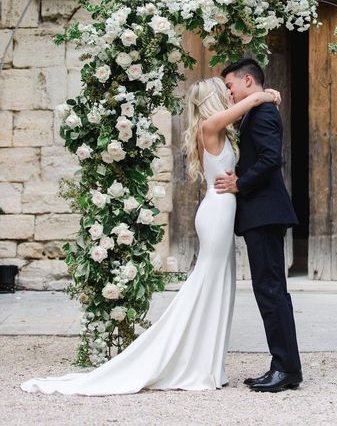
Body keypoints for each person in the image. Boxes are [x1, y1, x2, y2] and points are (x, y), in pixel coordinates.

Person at [20, 77, 280, 396]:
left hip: (224, 213)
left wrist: (263, 99)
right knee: (206, 285)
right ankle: (193, 365)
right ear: (211, 99)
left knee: (221, 288)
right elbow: (251, 103)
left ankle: (211, 365)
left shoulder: (223, 128)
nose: (229, 93)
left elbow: (249, 117)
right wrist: (265, 95)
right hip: (215, 215)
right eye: (223, 89)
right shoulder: (209, 126)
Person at [215, 58, 303, 393]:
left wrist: (240, 183)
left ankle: (286, 369)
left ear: (247, 80)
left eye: (230, 86)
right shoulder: (258, 108)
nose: (229, 93)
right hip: (261, 215)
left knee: (270, 291)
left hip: (265, 213)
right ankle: (283, 365)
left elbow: (271, 158)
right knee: (271, 291)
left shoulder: (263, 112)